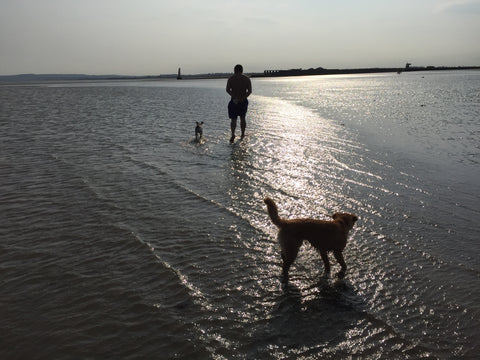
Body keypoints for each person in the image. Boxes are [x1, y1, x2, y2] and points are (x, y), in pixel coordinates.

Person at [226, 64, 252, 143]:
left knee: (233, 119)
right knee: (242, 118)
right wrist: (242, 98)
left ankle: (233, 134)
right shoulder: (246, 79)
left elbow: (227, 90)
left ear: (234, 70)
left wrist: (235, 97)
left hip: (234, 101)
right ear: (242, 70)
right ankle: (242, 134)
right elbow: (249, 91)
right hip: (243, 101)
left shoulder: (231, 78)